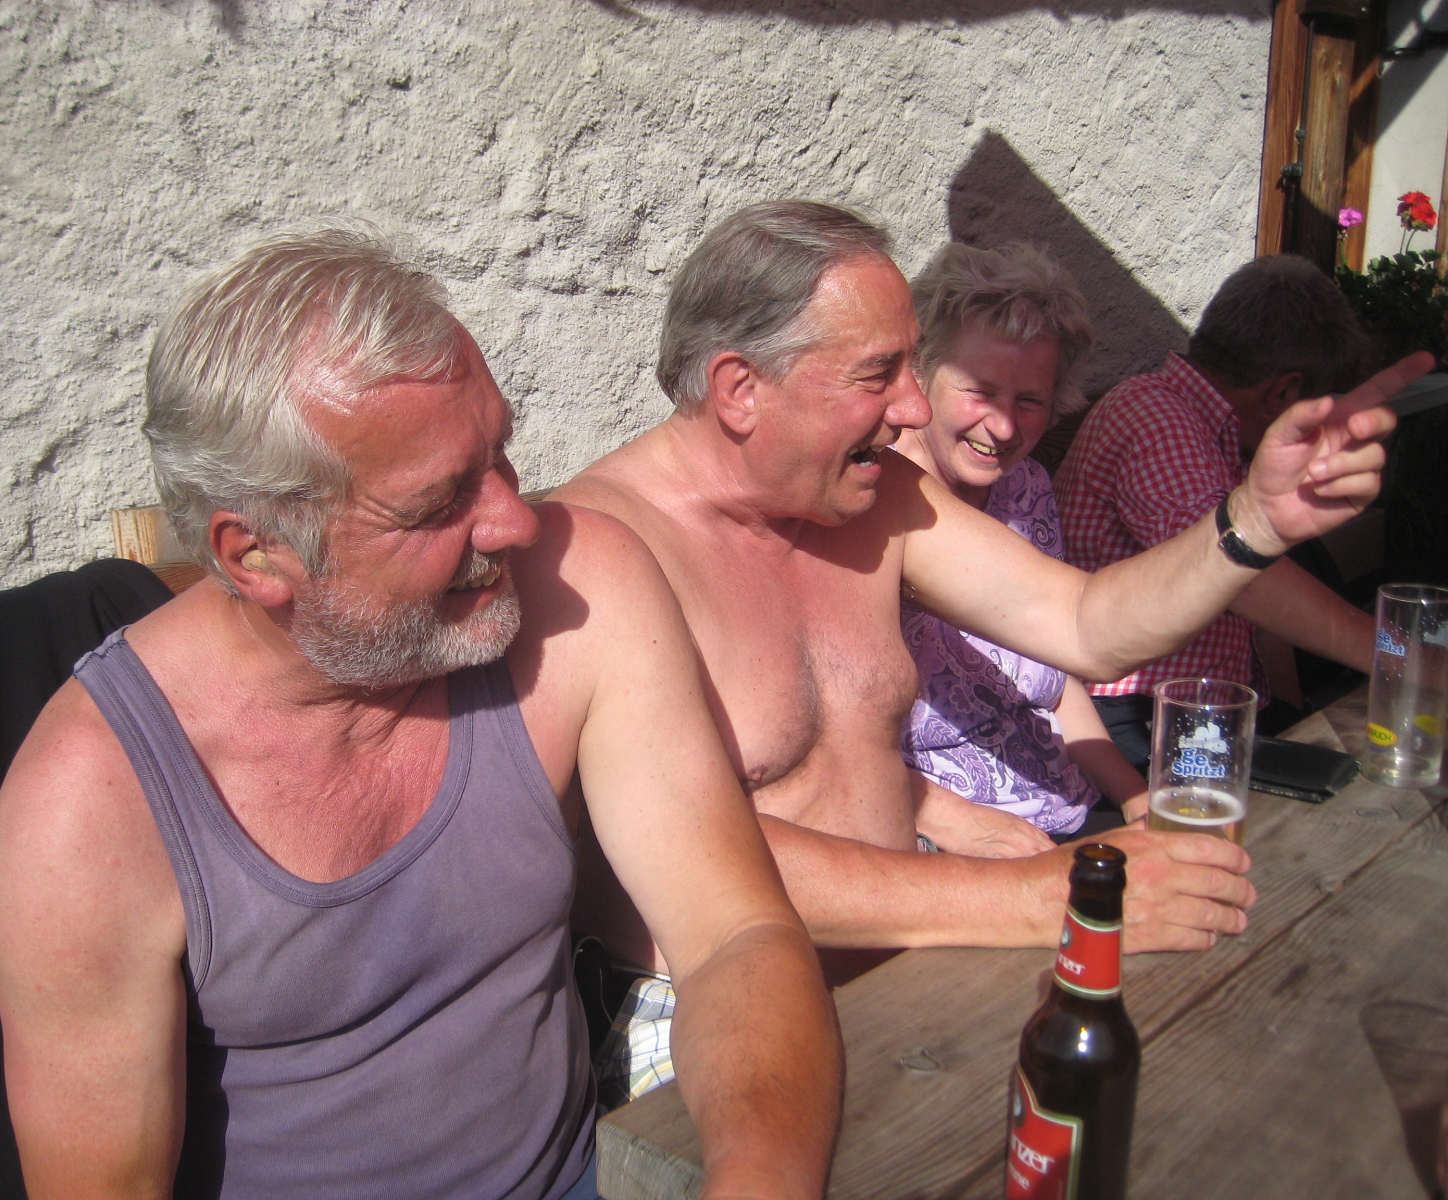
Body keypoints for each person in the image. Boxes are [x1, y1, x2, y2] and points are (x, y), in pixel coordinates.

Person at [0, 230, 842, 1200]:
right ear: (256, 556)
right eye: (437, 505)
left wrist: (758, 1178)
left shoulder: (578, 590)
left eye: (499, 451)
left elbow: (733, 937)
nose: (514, 520)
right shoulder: (91, 807)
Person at [556, 198, 1426, 971]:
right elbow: (681, 850)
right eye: (879, 373)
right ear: (740, 389)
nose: (912, 408)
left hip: (911, 968)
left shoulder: (875, 500)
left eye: (913, 366)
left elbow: (1082, 623)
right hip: (709, 1013)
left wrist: (1253, 521)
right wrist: (1033, 896)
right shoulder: (600, 553)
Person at [1054, 254, 1380, 770]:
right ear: (1283, 391)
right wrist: (1402, 659)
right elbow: (1243, 572)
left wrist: (1290, 716)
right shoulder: (1154, 413)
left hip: (1203, 710)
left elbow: (1258, 608)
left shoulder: (1226, 434)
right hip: (1127, 718)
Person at [892, 242, 1148, 859]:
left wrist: (1138, 798)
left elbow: (1056, 684)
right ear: (921, 371)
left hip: (1063, 807)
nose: (1004, 428)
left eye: (1029, 400)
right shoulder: (873, 501)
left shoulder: (1025, 486)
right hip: (941, 837)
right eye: (981, 391)